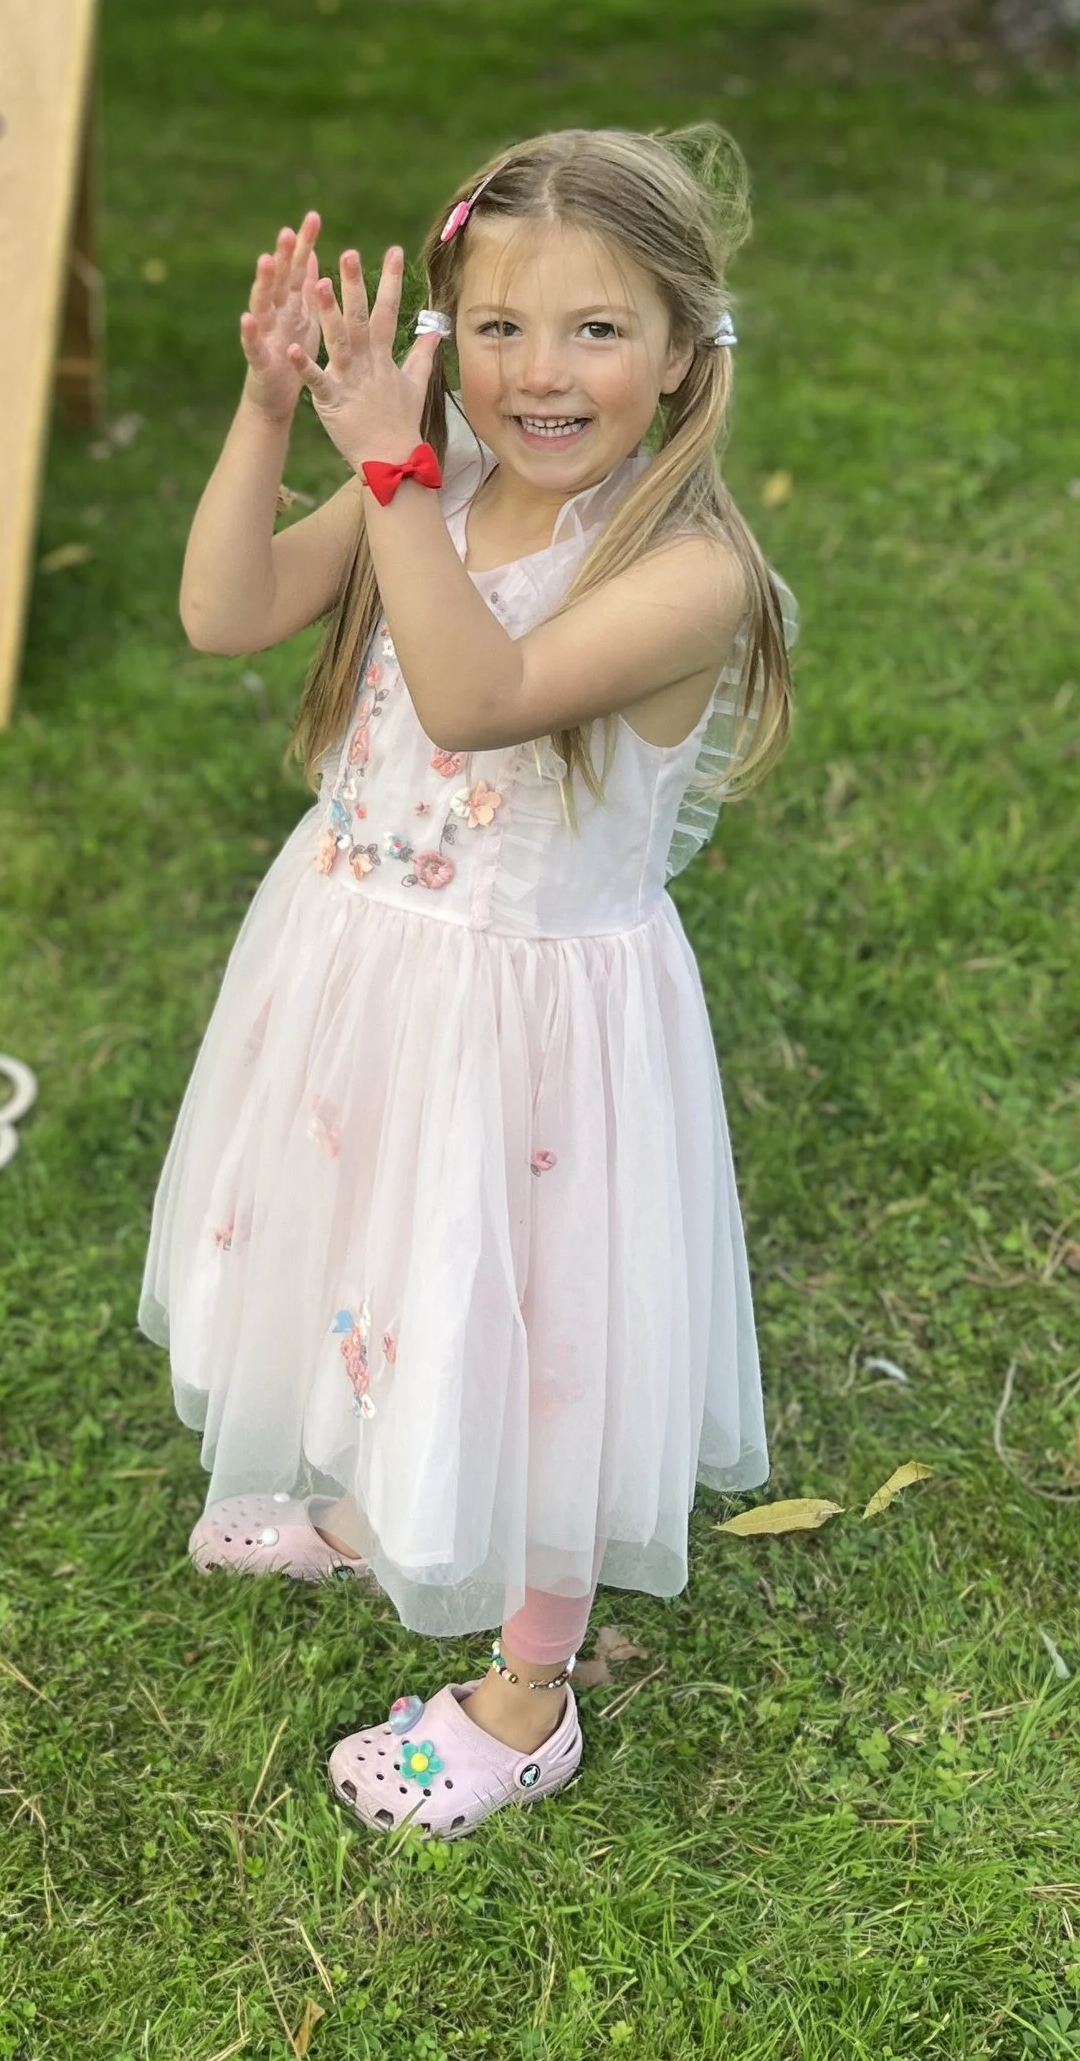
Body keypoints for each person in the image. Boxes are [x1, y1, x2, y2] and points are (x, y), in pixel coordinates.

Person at [140, 124, 793, 1839]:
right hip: (364, 970)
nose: (541, 372)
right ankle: (373, 1507)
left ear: (681, 350)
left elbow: (474, 696)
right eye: (497, 327)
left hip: (533, 1028)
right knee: (375, 1259)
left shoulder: (688, 573)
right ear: (442, 332)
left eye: (596, 329)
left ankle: (528, 1688)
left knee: (542, 1337)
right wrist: (280, 412)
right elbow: (224, 611)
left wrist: (391, 480)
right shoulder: (433, 488)